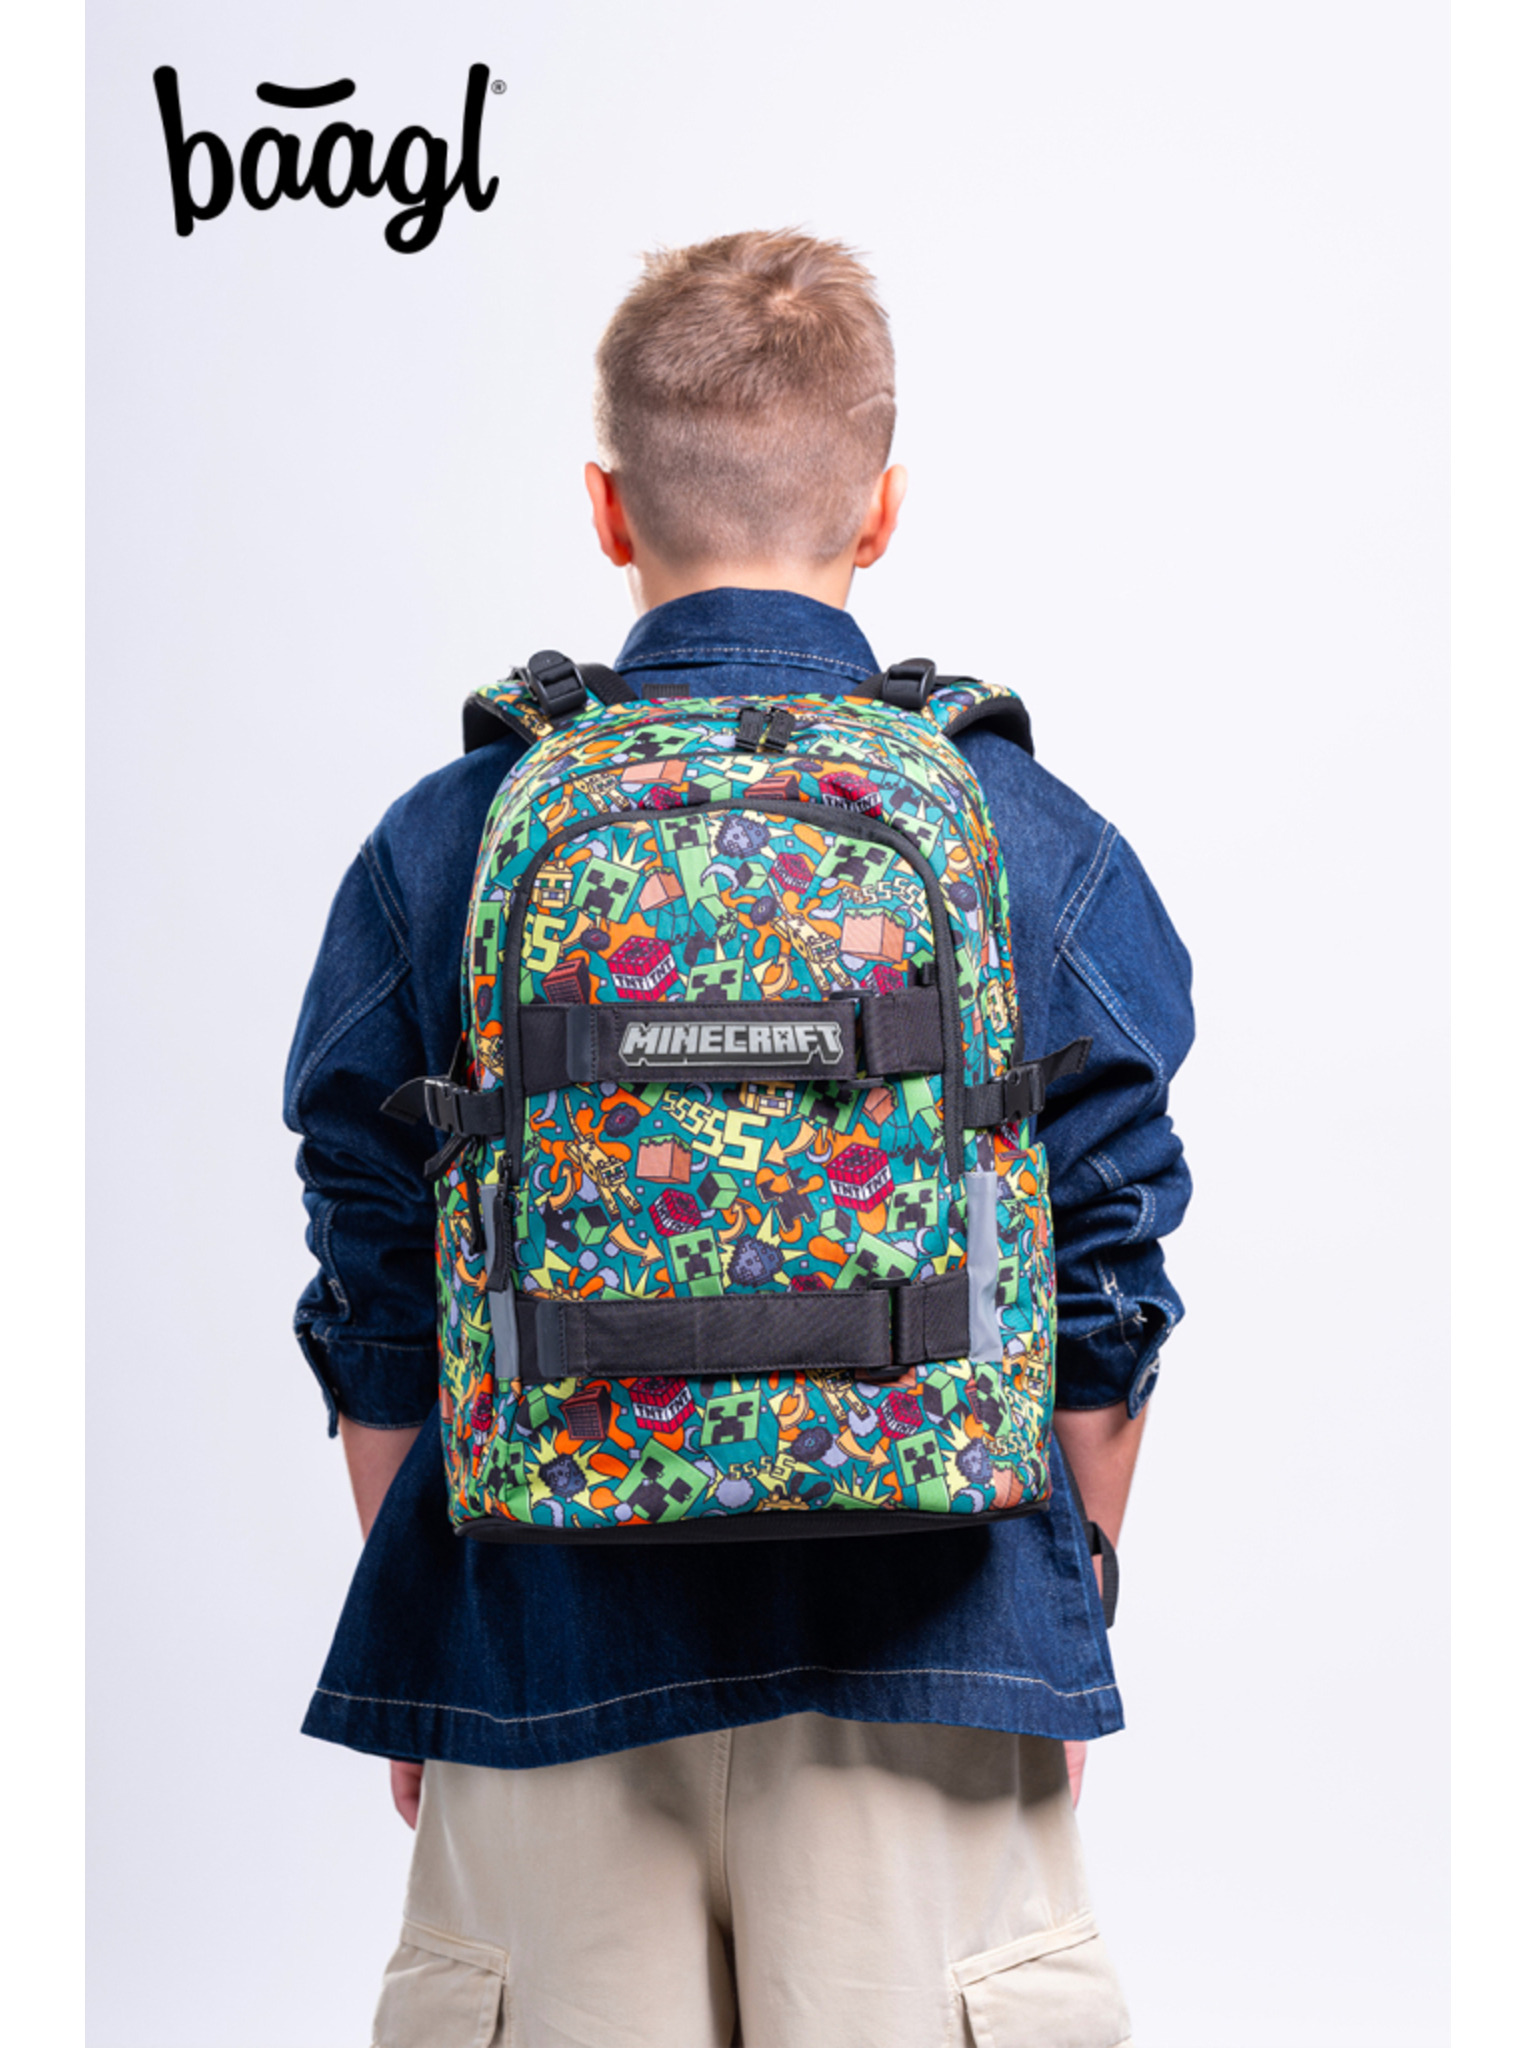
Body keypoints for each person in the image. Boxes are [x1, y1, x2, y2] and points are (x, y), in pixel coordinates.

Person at [286, 230, 1193, 2048]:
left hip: (541, 1645)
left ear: (608, 509)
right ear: (884, 508)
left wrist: (443, 1624)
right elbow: (1107, 1259)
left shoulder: (450, 835)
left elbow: (374, 1271)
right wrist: (1058, 1607)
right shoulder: (1025, 835)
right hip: (934, 1647)